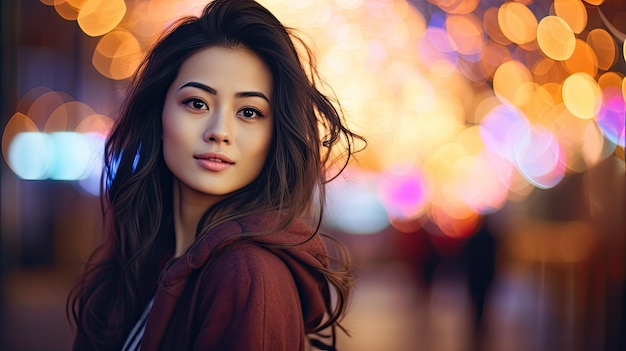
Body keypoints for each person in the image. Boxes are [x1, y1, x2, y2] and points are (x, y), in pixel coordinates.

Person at [66, 0, 364, 350]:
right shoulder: (146, 258)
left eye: (249, 112)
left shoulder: (247, 273)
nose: (219, 131)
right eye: (197, 103)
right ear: (159, 112)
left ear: (275, 136)